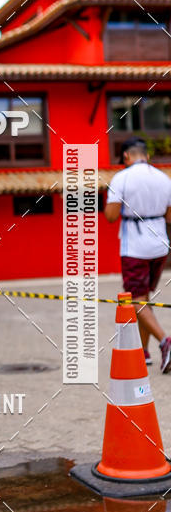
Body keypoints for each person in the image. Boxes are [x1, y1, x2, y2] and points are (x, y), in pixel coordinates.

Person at [105, 136, 171, 372]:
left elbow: (111, 216)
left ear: (126, 156)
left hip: (135, 247)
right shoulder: (164, 178)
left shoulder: (121, 177)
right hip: (160, 245)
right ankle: (144, 353)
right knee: (144, 299)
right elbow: (170, 216)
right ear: (147, 155)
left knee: (135, 299)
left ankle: (166, 341)